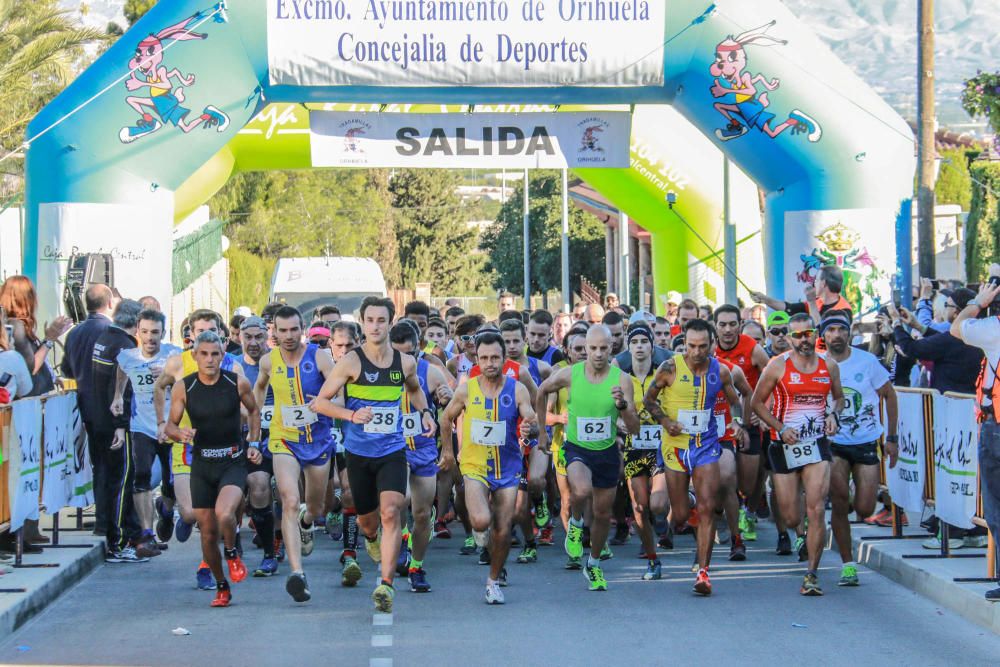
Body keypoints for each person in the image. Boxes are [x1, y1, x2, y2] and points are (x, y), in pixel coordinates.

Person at [310, 296, 436, 613]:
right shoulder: (351, 362)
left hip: (392, 450)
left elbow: (414, 388)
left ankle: (386, 585)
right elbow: (320, 403)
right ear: (363, 323)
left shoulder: (404, 363)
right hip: (358, 453)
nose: (376, 326)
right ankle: (369, 538)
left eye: (381, 320)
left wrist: (425, 413)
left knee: (393, 511)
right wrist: (352, 416)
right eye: (370, 320)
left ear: (390, 322)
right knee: (369, 523)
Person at [644, 319, 746, 595]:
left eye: (702, 346)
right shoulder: (669, 368)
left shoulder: (721, 371)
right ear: (684, 343)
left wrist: (738, 423)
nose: (696, 352)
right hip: (675, 447)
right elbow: (648, 400)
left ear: (711, 344)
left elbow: (736, 404)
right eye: (691, 346)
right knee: (678, 516)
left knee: (707, 508)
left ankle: (703, 573)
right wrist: (665, 421)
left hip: (706, 445)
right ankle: (686, 506)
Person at [536, 325, 640, 590]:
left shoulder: (621, 379)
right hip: (577, 448)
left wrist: (622, 406)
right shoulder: (570, 374)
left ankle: (593, 564)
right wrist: (542, 433)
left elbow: (635, 427)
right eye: (592, 348)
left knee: (603, 514)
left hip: (606, 452)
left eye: (603, 348)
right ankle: (575, 522)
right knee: (580, 490)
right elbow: (541, 391)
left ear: (612, 348)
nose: (597, 354)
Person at [439, 331, 538, 604]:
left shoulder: (516, 388)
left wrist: (531, 426)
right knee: (482, 521)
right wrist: (448, 452)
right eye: (484, 358)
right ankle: (483, 539)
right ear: (477, 359)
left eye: (495, 357)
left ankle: (493, 580)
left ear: (505, 359)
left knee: (503, 527)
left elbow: (532, 419)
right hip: (475, 465)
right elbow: (446, 419)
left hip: (507, 466)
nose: (490, 362)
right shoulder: (466, 388)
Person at [751, 313, 845, 596]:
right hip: (785, 446)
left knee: (816, 509)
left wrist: (833, 415)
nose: (804, 340)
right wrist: (780, 428)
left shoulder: (828, 365)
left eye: (808, 334)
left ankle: (811, 574)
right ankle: (798, 533)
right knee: (792, 515)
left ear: (815, 334)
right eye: (798, 335)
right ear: (790, 338)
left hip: (816, 443)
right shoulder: (777, 366)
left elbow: (839, 398)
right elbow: (756, 403)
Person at [165, 331, 260, 608]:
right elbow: (169, 425)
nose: (209, 359)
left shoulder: (236, 383)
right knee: (206, 531)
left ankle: (231, 551)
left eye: (215, 354)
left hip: (232, 460)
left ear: (223, 356)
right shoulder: (184, 387)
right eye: (204, 354)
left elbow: (253, 411)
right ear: (195, 356)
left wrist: (253, 443)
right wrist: (178, 433)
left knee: (225, 512)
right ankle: (222, 586)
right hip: (202, 464)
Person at [154, 309, 244, 589]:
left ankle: (208, 566)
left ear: (221, 336)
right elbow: (159, 388)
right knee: (192, 513)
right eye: (200, 332)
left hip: (223, 450)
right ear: (191, 337)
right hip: (188, 447)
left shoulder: (233, 368)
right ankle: (167, 505)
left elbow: (246, 405)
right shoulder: (177, 364)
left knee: (217, 512)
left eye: (213, 331)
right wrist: (162, 422)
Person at [253, 306, 336, 603]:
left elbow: (339, 390)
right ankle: (297, 573)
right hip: (284, 438)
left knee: (313, 507)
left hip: (318, 441)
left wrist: (327, 399)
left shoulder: (320, 356)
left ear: (303, 329)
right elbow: (258, 391)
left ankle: (307, 522)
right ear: (273, 331)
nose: (288, 336)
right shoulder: (267, 361)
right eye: (282, 330)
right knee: (288, 499)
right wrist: (253, 415)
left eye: (293, 329)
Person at [820, 313, 898, 587]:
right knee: (840, 504)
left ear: (850, 333)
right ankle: (848, 564)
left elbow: (889, 395)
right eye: (832, 331)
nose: (837, 335)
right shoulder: (819, 365)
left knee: (864, 509)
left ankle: (856, 495)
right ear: (824, 336)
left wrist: (892, 437)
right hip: (835, 443)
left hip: (866, 439)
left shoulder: (867, 362)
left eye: (842, 329)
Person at [388, 321, 453, 592]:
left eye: (411, 354)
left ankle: (416, 566)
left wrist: (447, 398)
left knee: (423, 514)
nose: (406, 360)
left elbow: (450, 408)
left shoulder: (432, 373)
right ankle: (402, 537)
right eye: (399, 355)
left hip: (424, 449)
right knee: (400, 498)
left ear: (419, 349)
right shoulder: (378, 373)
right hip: (393, 447)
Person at [111, 308, 181, 552]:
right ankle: (147, 533)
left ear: (163, 333)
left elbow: (187, 381)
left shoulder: (174, 354)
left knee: (171, 483)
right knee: (140, 476)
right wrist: (118, 395)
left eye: (155, 333)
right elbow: (121, 371)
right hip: (142, 426)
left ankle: (167, 509)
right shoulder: (128, 356)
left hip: (171, 425)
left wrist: (168, 375)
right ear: (137, 331)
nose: (150, 338)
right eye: (145, 332)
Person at [950, 269, 1000, 601]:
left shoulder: (993, 329)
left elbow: (956, 327)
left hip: (996, 429)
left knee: (996, 507)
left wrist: (977, 302)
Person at [91, 300, 152, 561]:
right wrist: (120, 425)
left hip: (99, 421)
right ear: (136, 322)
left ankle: (117, 533)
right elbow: (121, 392)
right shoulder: (125, 347)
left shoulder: (105, 338)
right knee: (122, 482)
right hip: (117, 425)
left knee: (110, 478)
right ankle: (118, 542)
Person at [59, 283, 114, 535]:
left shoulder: (75, 333)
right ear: (110, 302)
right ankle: (108, 520)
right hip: (109, 408)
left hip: (84, 406)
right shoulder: (110, 332)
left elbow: (67, 369)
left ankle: (104, 517)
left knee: (98, 463)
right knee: (112, 466)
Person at [713, 304, 770, 543]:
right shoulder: (707, 349)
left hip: (748, 422)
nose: (727, 330)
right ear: (715, 327)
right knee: (724, 474)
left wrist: (763, 409)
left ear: (739, 325)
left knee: (748, 483)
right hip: (717, 424)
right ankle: (725, 514)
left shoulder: (752, 348)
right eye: (722, 324)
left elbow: (775, 380)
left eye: (732, 324)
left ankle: (748, 509)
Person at [615, 326, 667, 580]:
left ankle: (685, 502)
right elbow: (609, 411)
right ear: (628, 346)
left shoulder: (663, 375)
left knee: (657, 504)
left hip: (661, 449)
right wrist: (618, 423)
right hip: (635, 449)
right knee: (639, 506)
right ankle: (653, 559)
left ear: (652, 345)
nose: (639, 346)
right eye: (634, 341)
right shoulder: (622, 378)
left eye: (643, 341)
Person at [236, 316, 279, 578]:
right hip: (238, 438)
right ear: (240, 337)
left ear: (267, 336)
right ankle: (235, 544)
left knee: (262, 486)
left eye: (259, 337)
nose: (253, 343)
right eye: (248, 337)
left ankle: (270, 551)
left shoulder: (278, 361)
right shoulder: (232, 364)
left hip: (275, 437)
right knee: (234, 500)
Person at [888, 290, 983, 395]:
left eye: (947, 305)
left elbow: (910, 347)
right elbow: (941, 340)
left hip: (947, 404)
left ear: (956, 312)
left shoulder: (949, 341)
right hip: (972, 402)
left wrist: (896, 322)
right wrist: (918, 326)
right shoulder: (978, 336)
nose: (944, 308)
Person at [0, 275, 72, 398]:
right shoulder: (16, 326)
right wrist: (49, 339)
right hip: (30, 402)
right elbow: (30, 368)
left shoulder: (11, 324)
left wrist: (52, 377)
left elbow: (30, 358)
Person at [751, 265, 853, 324]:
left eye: (816, 280)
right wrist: (764, 299)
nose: (814, 283)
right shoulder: (819, 302)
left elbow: (821, 330)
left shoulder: (843, 309)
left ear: (824, 283)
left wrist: (811, 302)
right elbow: (789, 308)